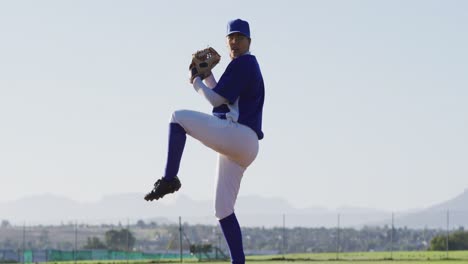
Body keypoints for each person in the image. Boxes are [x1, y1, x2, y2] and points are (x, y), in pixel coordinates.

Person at [144, 18, 264, 264]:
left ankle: (169, 179)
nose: (235, 41)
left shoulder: (245, 62)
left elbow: (215, 101)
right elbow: (224, 98)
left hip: (239, 135)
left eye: (240, 37)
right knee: (223, 210)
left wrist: (196, 81)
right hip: (242, 144)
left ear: (249, 42)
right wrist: (208, 76)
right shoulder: (242, 66)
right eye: (231, 37)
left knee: (177, 118)